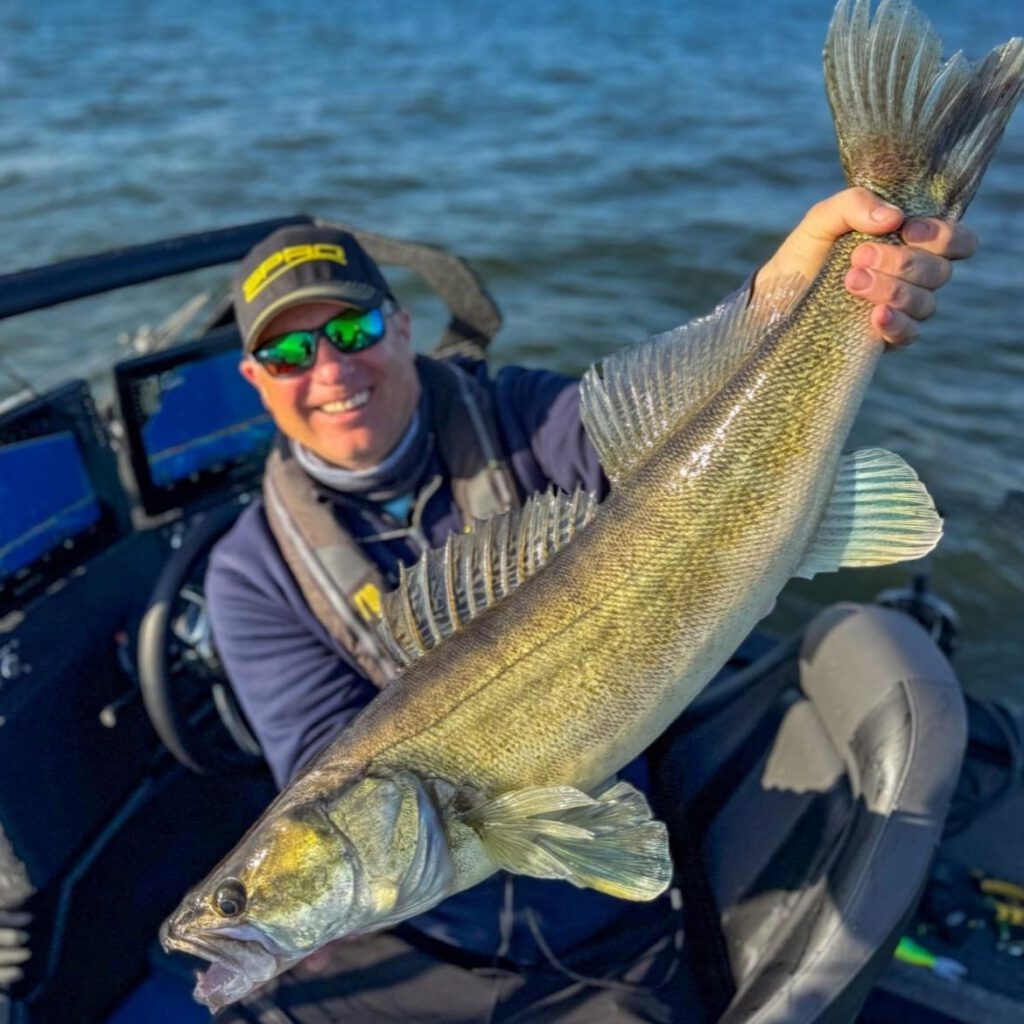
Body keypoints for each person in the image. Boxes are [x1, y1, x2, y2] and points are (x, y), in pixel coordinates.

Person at [205, 191, 976, 1023]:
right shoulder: (249, 574)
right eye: (288, 352)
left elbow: (675, 436)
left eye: (352, 331)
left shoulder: (525, 418)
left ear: (399, 327)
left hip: (607, 936)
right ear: (254, 378)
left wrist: (785, 297)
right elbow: (324, 759)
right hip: (420, 943)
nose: (329, 370)